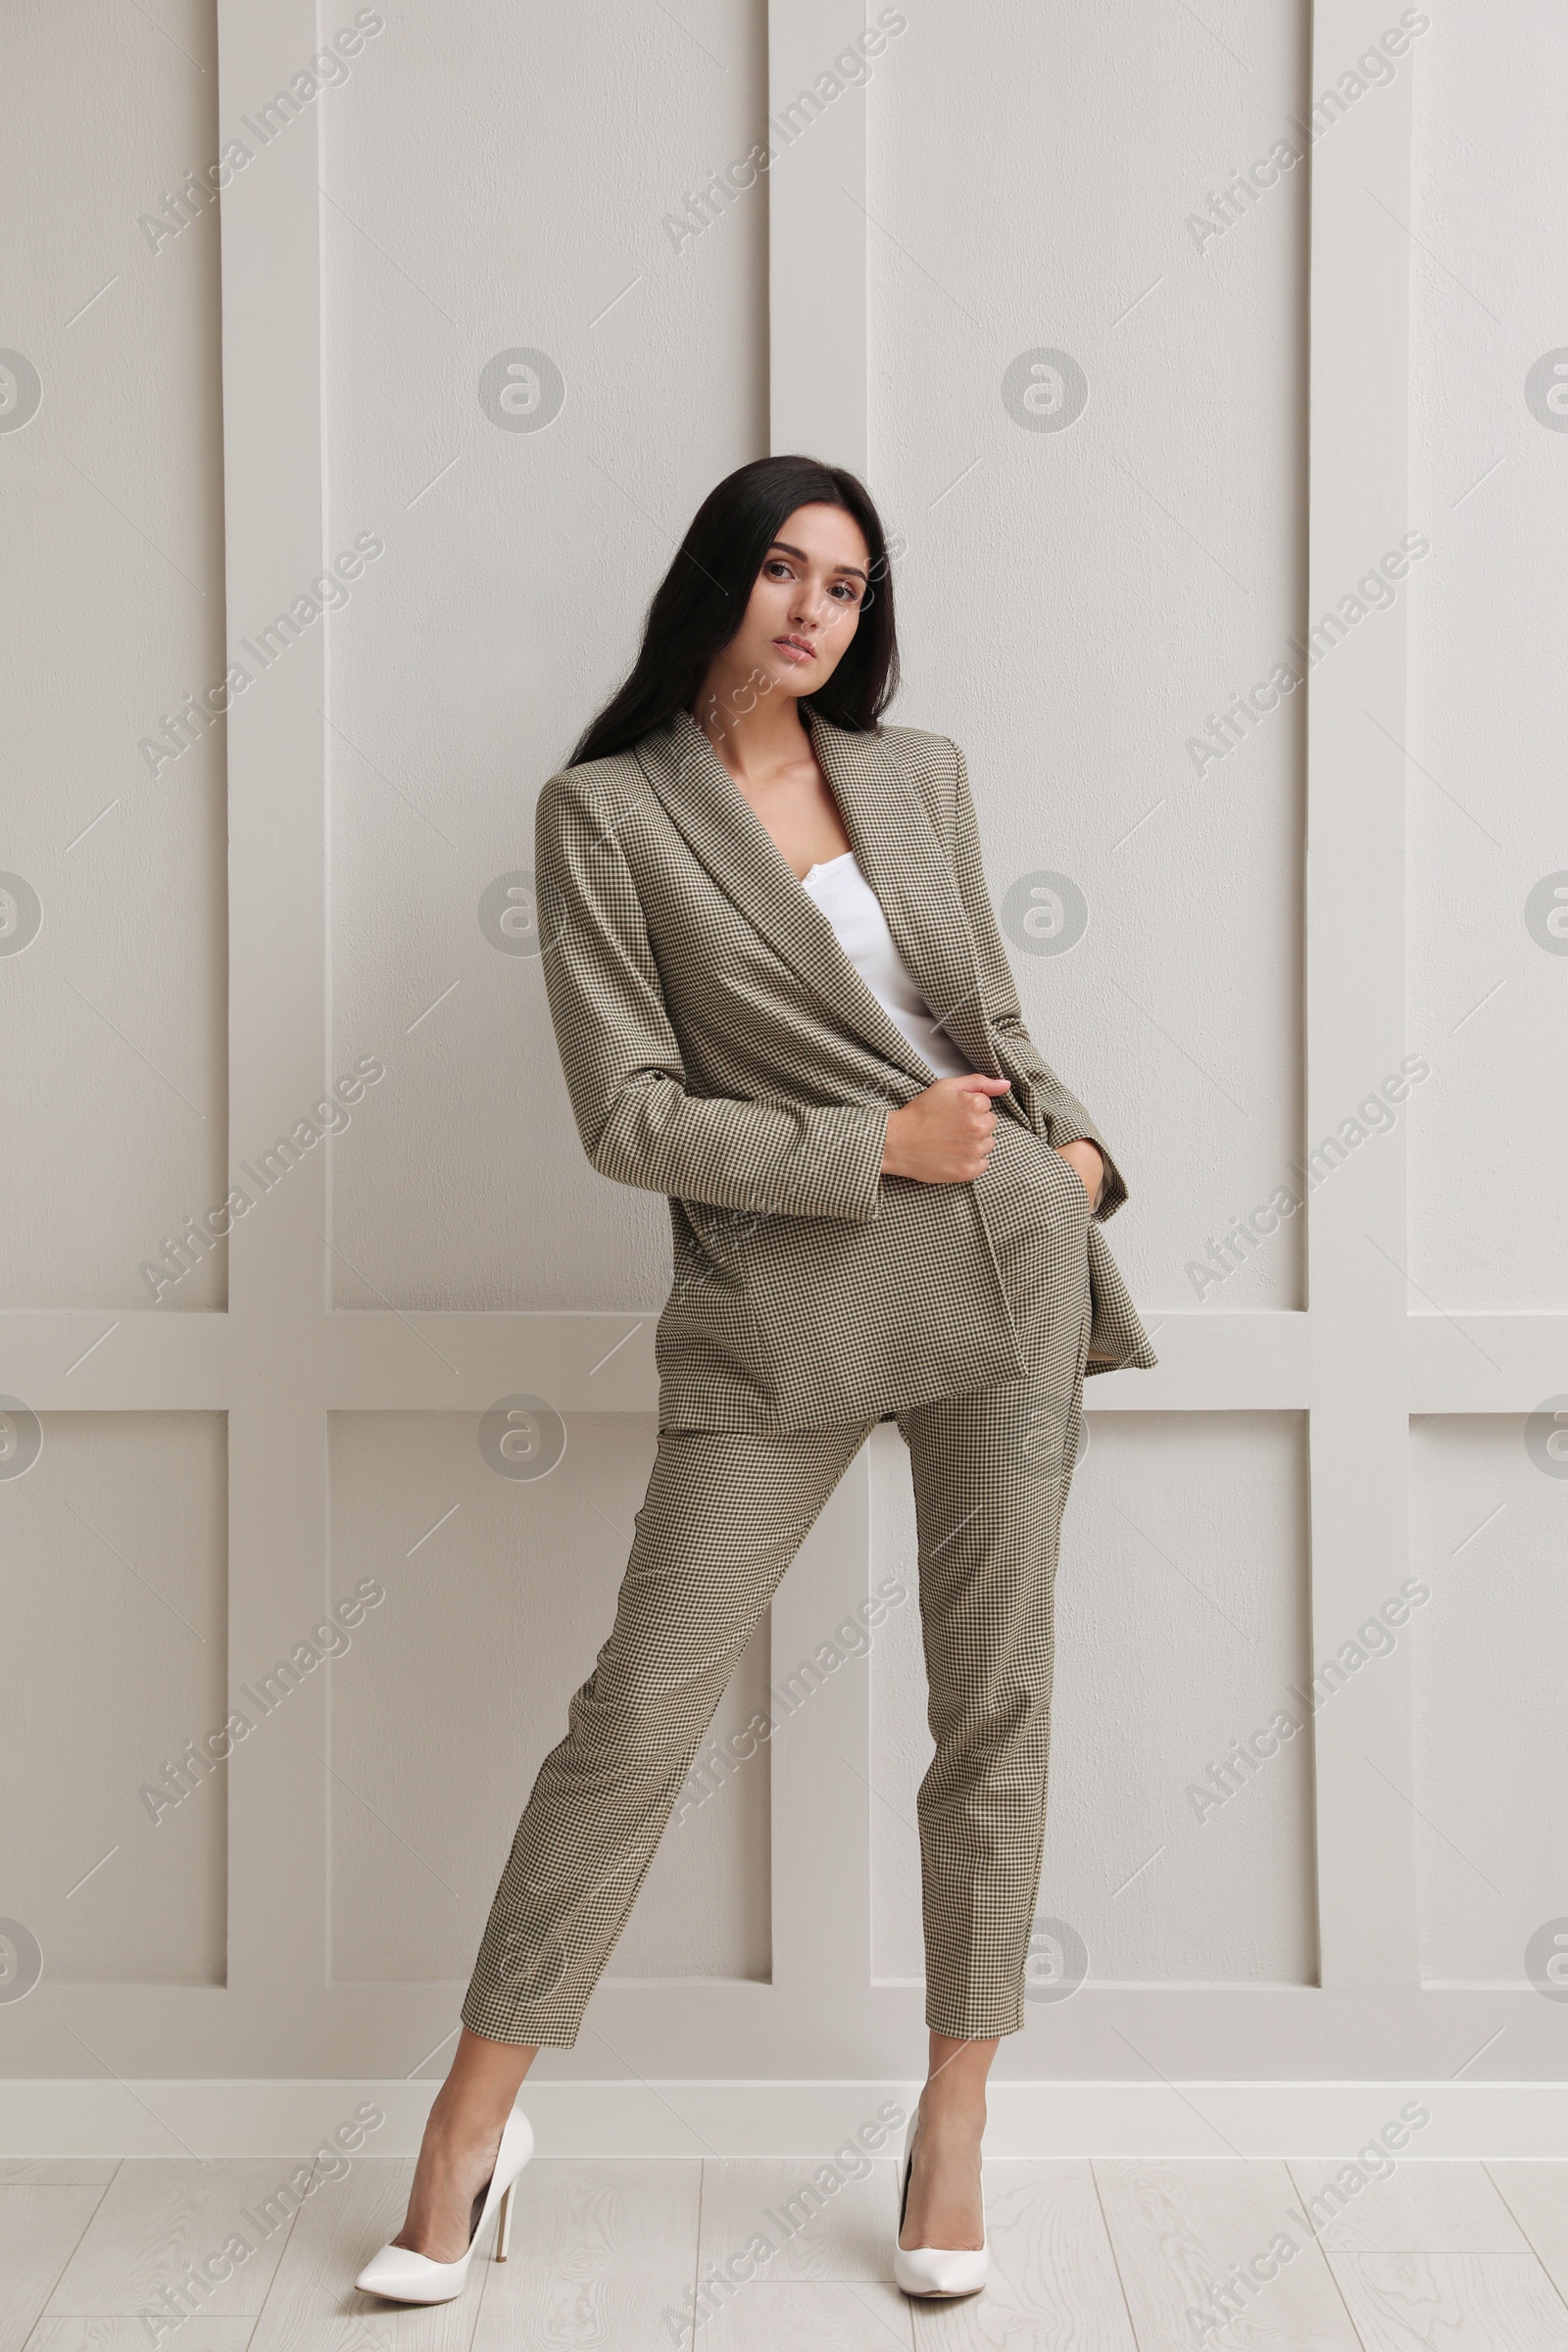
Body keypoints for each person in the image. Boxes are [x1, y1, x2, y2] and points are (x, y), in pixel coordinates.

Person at [355, 453, 1155, 2307]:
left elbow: (999, 1037)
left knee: (994, 1703)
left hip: (1000, 1269)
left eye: (849, 588)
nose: (813, 611)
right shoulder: (608, 816)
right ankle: (470, 2130)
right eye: (782, 572)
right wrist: (880, 1152)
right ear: (718, 579)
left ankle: (955, 2119)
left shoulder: (919, 778)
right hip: (780, 1314)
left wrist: (1081, 1162)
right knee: (639, 1712)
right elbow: (627, 1120)